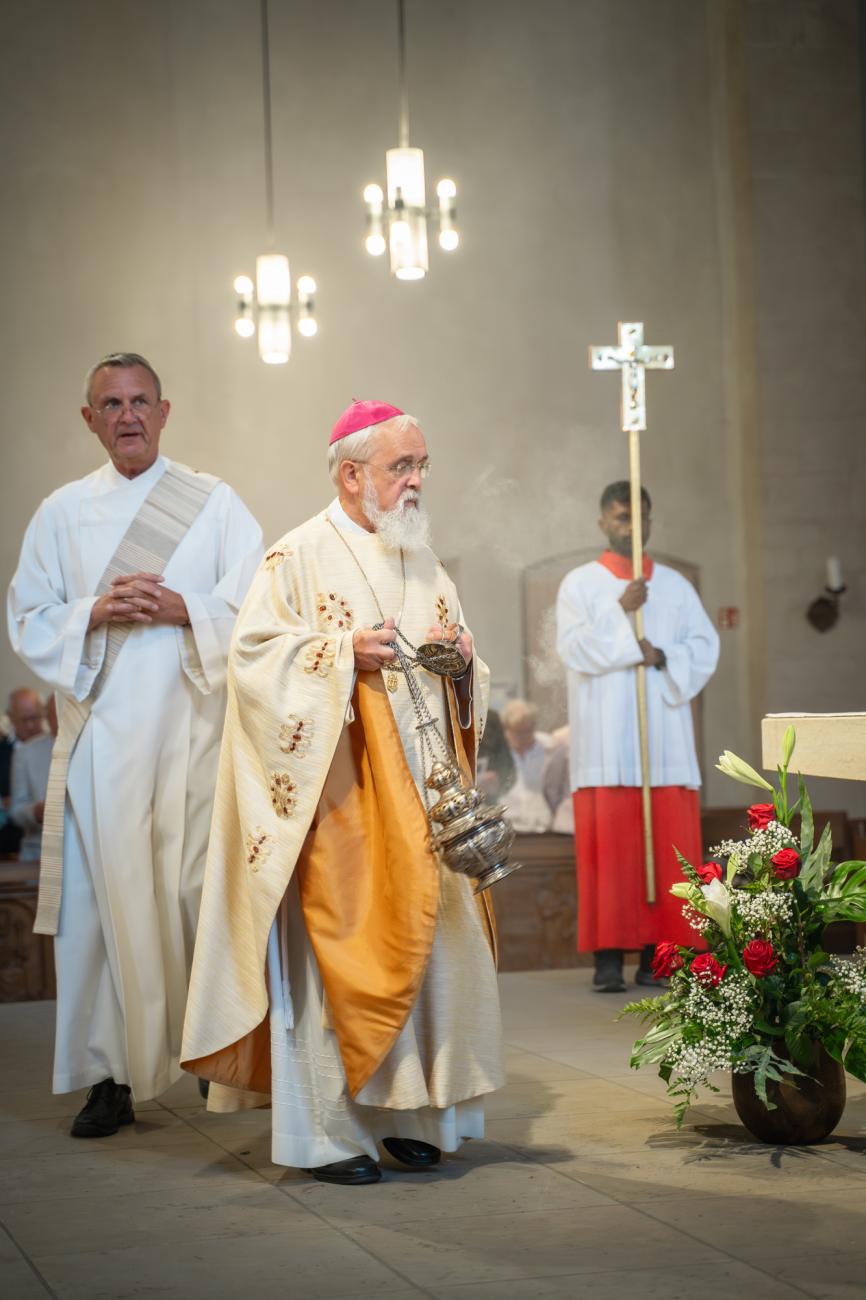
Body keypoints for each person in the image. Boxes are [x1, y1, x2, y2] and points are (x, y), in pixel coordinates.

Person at [182, 398, 503, 1186]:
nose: (418, 481)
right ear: (352, 473)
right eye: (402, 467)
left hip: (427, 800)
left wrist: (465, 666)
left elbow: (467, 674)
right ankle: (330, 1135)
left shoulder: (425, 561)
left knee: (431, 953)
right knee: (341, 957)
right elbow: (252, 661)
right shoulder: (295, 557)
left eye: (422, 465)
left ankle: (412, 1114)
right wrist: (337, 653)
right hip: (341, 799)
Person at [7, 351, 262, 1136]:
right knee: (103, 908)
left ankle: (209, 1058)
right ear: (89, 419)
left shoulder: (215, 504)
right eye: (110, 404)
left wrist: (188, 608)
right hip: (105, 740)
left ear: (165, 410)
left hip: (195, 731)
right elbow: (27, 619)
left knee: (195, 898)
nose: (127, 415)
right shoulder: (60, 512)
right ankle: (108, 1076)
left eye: (140, 401)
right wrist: (94, 609)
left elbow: (260, 604)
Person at [555, 481, 719, 992]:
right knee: (613, 856)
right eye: (623, 517)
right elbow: (572, 648)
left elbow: (705, 646)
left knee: (667, 850)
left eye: (641, 516)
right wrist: (620, 612)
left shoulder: (674, 585)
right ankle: (607, 959)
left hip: (663, 744)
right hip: (605, 742)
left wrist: (663, 656)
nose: (634, 526)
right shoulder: (579, 585)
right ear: (603, 522)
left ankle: (660, 955)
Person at [10, 695, 57, 862]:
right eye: (55, 712)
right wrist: (36, 812)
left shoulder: (92, 748)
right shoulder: (26, 753)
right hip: (38, 852)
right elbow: (16, 811)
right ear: (48, 714)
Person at [0, 688, 45, 856]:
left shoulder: (56, 749)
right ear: (11, 718)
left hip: (44, 844)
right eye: (23, 720)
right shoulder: (2, 752)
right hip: (8, 844)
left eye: (35, 718)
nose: (30, 725)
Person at [500, 699, 551, 833]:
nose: (522, 737)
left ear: (534, 727)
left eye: (527, 731)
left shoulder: (548, 747)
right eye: (517, 732)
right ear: (506, 730)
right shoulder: (497, 753)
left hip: (543, 826)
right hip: (508, 826)